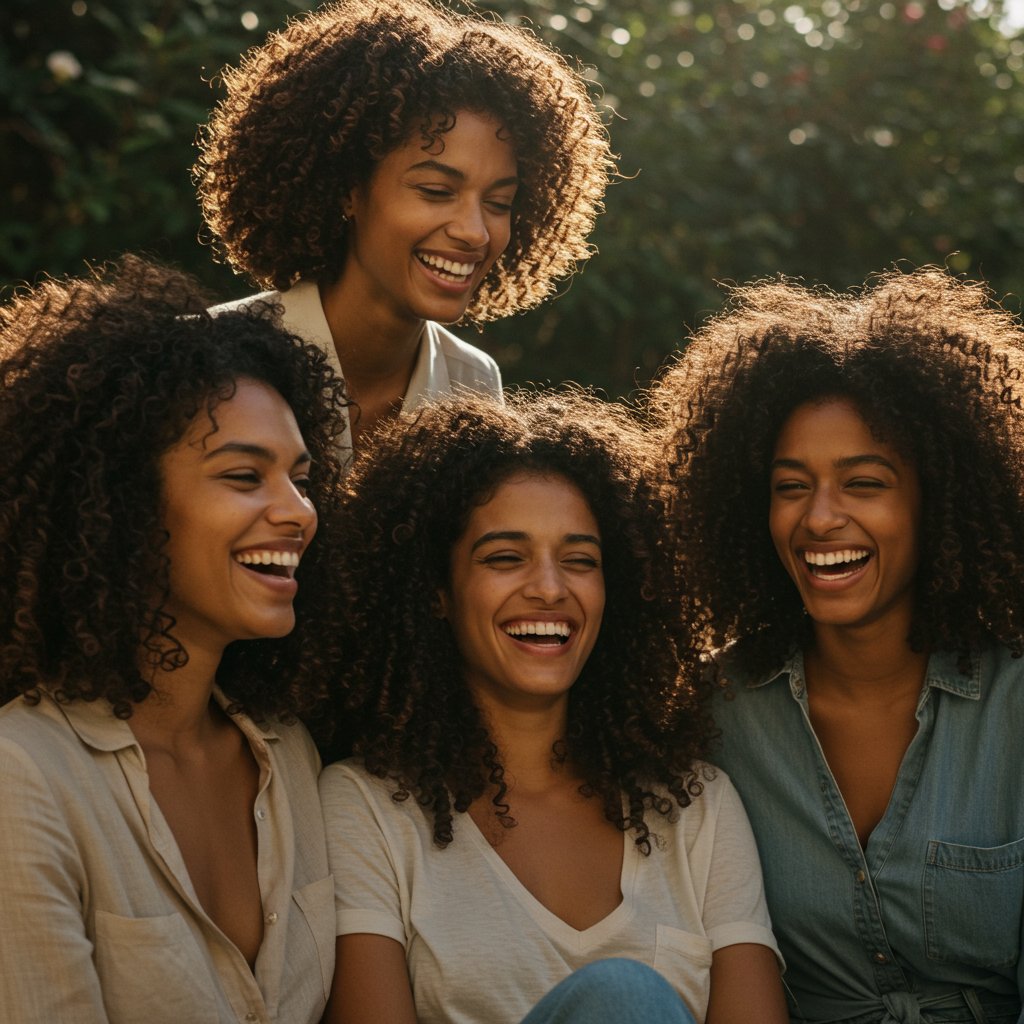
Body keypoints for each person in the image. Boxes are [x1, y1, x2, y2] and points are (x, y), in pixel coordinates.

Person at [317, 392, 787, 1024]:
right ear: (435, 592)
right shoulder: (366, 809)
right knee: (625, 997)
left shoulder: (696, 809)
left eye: (580, 560)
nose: (548, 587)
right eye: (505, 558)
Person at [648, 267, 1024, 1023]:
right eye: (792, 486)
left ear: (939, 499)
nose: (820, 518)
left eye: (864, 483)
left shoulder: (1013, 703)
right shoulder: (711, 715)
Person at [0, 257, 349, 1023]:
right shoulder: (23, 776)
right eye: (243, 476)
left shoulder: (288, 755)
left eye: (300, 476)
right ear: (121, 503)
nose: (299, 512)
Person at [195, 0, 614, 453]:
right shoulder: (203, 359)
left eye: (499, 202)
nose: (475, 232)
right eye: (436, 191)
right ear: (347, 189)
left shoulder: (473, 385)